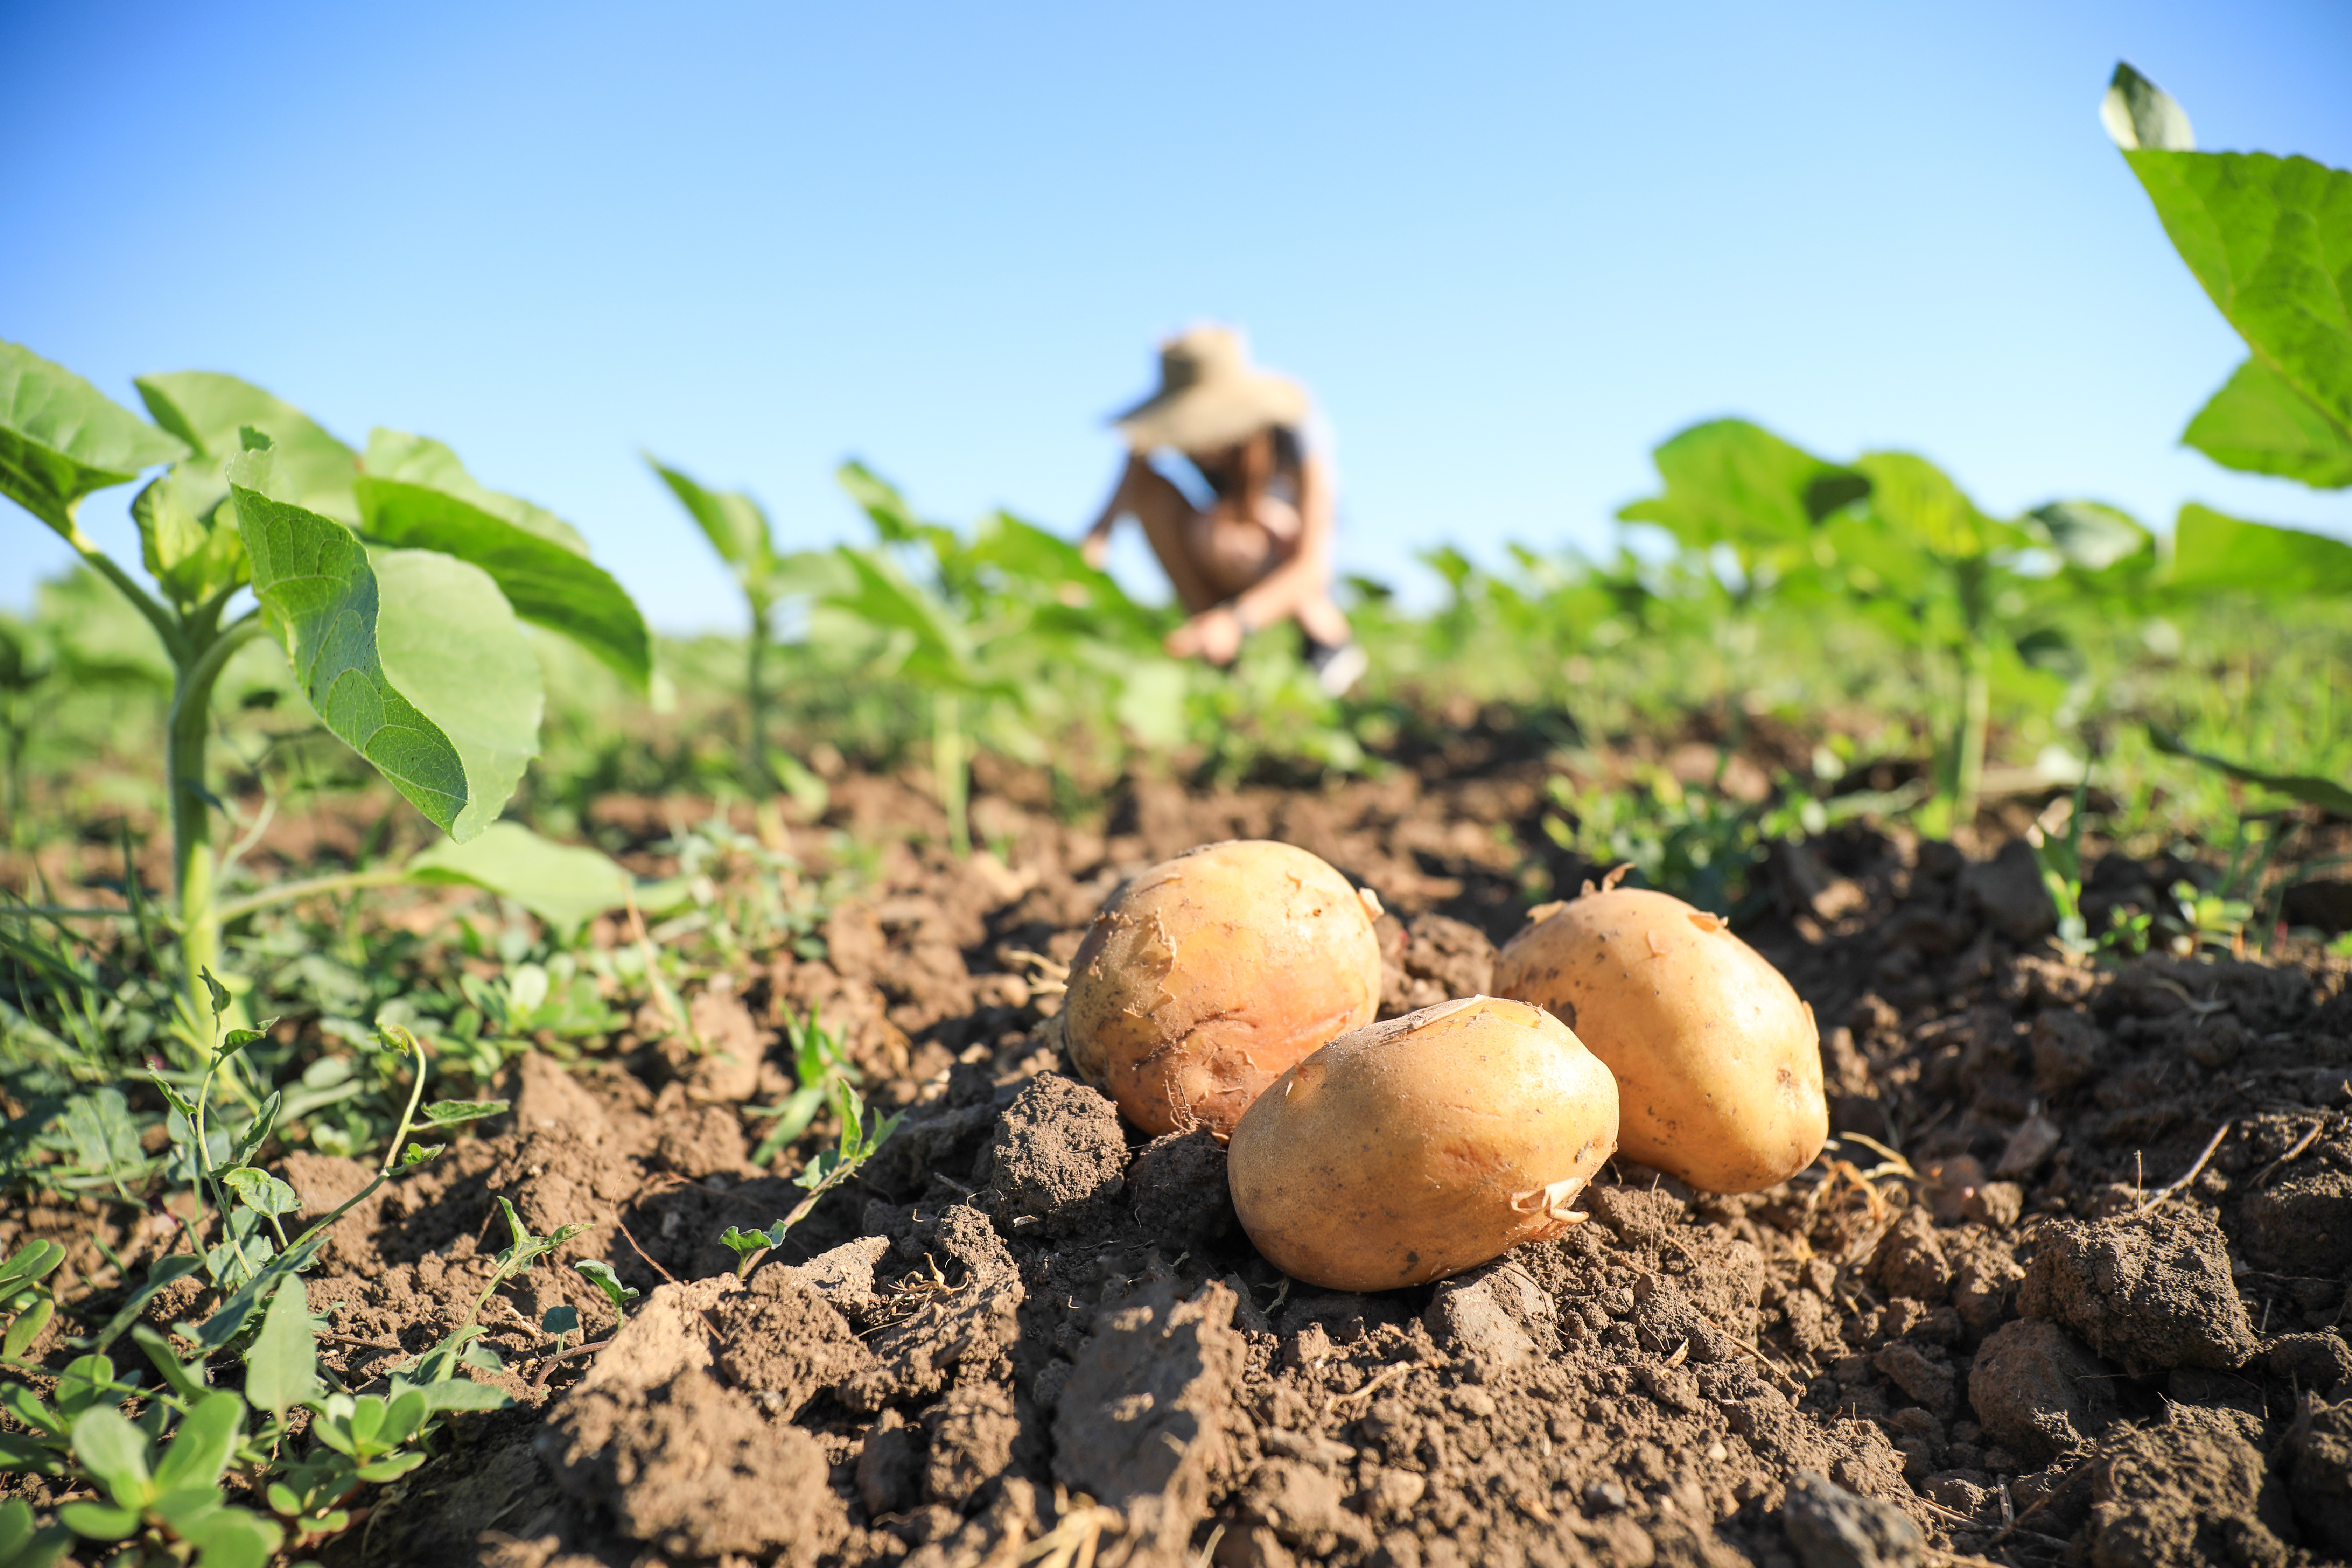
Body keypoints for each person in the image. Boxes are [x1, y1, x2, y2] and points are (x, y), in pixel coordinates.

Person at [1079, 325, 1366, 695]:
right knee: (1157, 498)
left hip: (1287, 546)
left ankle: (1328, 643)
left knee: (1233, 535)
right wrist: (1073, 581)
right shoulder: (1154, 439)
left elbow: (1314, 564)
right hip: (1223, 538)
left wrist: (1236, 621)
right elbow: (1103, 526)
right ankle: (1217, 657)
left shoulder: (1293, 433)